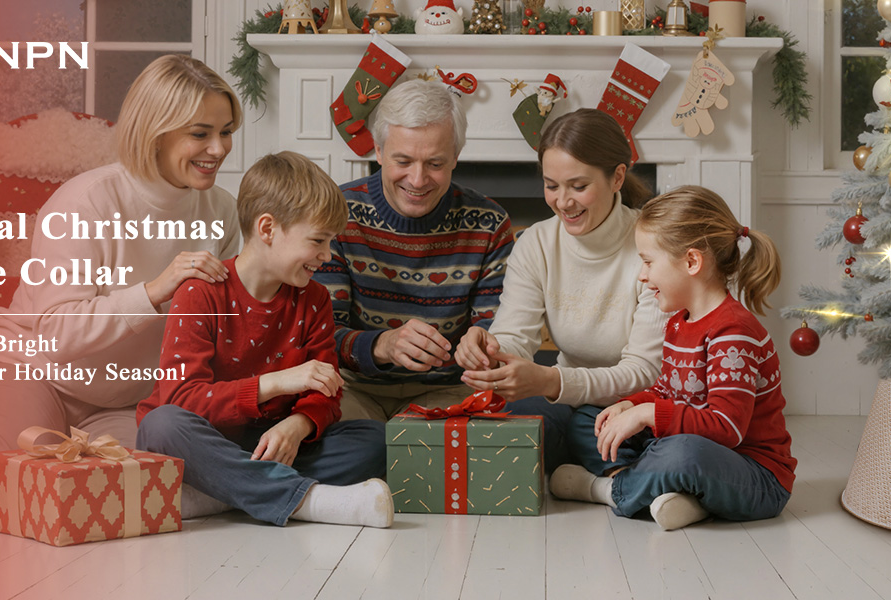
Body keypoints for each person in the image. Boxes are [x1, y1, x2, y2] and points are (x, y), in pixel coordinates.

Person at [0, 55, 242, 514]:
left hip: (122, 400)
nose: (218, 149)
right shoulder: (85, 201)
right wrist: (153, 291)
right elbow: (59, 334)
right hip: (27, 368)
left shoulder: (220, 210)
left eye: (225, 133)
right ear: (155, 131)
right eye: (201, 134)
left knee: (120, 491)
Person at [135, 152, 392, 528]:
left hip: (270, 446)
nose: (326, 255)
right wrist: (276, 383)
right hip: (203, 441)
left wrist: (298, 424)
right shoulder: (200, 294)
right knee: (161, 425)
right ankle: (309, 501)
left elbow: (327, 392)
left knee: (377, 439)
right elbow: (180, 398)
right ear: (267, 229)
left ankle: (221, 492)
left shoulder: (315, 299)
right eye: (318, 241)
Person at [547, 186, 797, 531]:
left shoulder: (734, 332)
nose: (642, 274)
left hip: (752, 475)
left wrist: (648, 413)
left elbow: (727, 428)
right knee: (591, 418)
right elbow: (666, 391)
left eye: (648, 261)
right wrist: (629, 406)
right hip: (684, 450)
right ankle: (675, 496)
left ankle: (608, 489)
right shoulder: (680, 322)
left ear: (692, 261)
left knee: (683, 454)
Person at [455, 108, 664, 472]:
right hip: (567, 397)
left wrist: (552, 381)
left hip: (635, 402)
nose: (563, 202)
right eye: (552, 186)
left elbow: (645, 371)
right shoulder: (536, 242)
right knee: (505, 419)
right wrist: (489, 352)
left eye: (579, 186)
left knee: (589, 432)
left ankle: (598, 470)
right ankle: (595, 468)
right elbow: (514, 338)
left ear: (617, 177)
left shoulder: (652, 246)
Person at [314, 79, 514, 422]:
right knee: (331, 439)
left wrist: (482, 348)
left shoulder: (489, 224)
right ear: (378, 152)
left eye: (434, 164)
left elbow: (498, 331)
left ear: (455, 157)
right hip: (354, 389)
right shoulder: (337, 213)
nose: (418, 180)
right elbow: (320, 334)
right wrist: (383, 345)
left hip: (450, 392)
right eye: (403, 161)